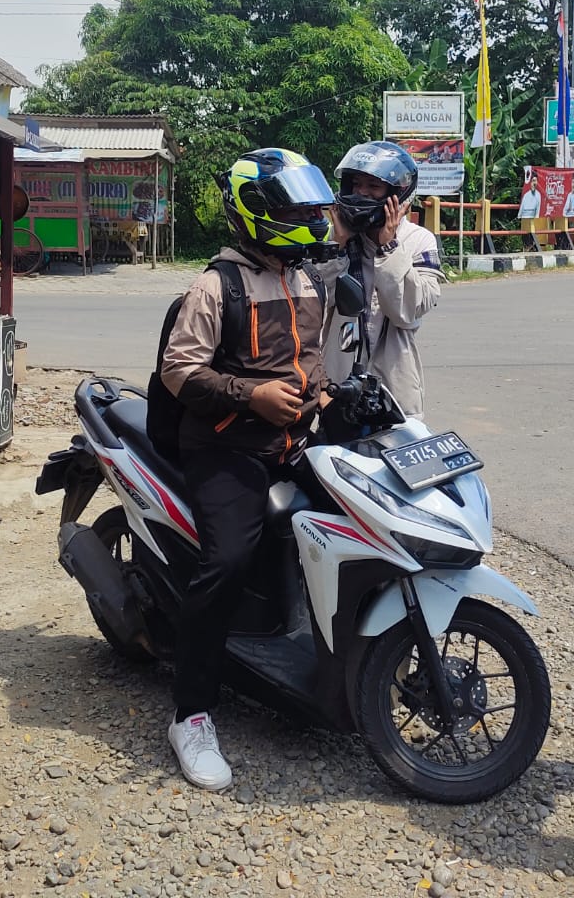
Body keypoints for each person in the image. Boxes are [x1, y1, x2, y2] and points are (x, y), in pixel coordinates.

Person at [157, 147, 335, 790]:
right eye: (295, 209)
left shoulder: (309, 279)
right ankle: (191, 714)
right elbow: (179, 370)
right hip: (225, 448)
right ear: (256, 213)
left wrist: (323, 394)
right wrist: (250, 395)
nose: (309, 220)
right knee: (227, 561)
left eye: (310, 208)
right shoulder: (216, 285)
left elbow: (311, 360)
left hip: (294, 442)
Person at [322, 140, 443, 421]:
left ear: (397, 194)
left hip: (394, 383)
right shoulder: (337, 237)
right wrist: (338, 246)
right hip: (338, 382)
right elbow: (316, 301)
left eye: (373, 186)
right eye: (356, 185)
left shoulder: (418, 240)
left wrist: (388, 248)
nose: (361, 193)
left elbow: (408, 310)